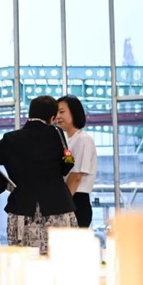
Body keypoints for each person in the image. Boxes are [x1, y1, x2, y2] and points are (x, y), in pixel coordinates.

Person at [0, 95, 77, 255]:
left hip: (22, 210)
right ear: (52, 118)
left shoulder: (11, 139)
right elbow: (66, 165)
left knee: (23, 265)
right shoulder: (57, 134)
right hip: (57, 208)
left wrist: (5, 184)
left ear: (29, 115)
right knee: (61, 262)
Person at [57, 95, 97, 228]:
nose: (58, 116)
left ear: (74, 112)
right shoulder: (67, 140)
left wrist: (62, 206)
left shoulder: (83, 139)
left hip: (76, 201)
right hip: (68, 199)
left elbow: (75, 177)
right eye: (56, 113)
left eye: (62, 112)